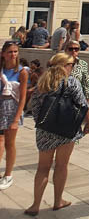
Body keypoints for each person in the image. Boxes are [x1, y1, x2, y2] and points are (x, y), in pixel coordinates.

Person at [25, 53, 89, 215]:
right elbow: (83, 104)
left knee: (43, 168)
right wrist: (88, 123)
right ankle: (58, 201)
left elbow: (34, 106)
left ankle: (35, 205)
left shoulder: (42, 83)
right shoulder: (72, 83)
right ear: (64, 66)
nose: (72, 68)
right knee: (61, 166)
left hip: (45, 131)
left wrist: (41, 125)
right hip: (67, 131)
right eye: (71, 65)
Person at [0, 41, 28, 190]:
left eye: (15, 51)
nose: (13, 55)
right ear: (3, 54)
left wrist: (17, 118)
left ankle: (8, 174)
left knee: (9, 143)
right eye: (10, 52)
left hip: (11, 108)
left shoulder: (22, 72)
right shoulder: (1, 69)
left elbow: (23, 97)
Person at [63, 40, 89, 113]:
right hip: (62, 98)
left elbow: (86, 82)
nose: (73, 51)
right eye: (71, 49)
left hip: (76, 99)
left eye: (76, 49)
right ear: (66, 50)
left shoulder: (83, 64)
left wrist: (87, 100)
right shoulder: (60, 62)